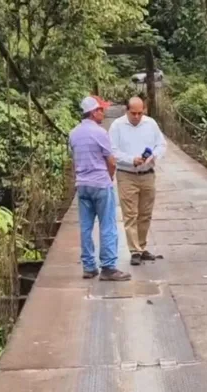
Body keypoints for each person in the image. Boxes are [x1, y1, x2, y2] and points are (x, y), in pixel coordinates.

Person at [68, 95, 131, 281]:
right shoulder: (100, 133)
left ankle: (88, 267)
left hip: (82, 185)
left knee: (86, 227)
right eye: (101, 110)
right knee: (108, 225)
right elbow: (111, 161)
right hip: (100, 184)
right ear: (93, 112)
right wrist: (110, 177)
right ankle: (109, 267)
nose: (103, 113)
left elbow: (75, 158)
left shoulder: (73, 133)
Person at [109, 96, 167, 266]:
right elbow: (112, 150)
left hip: (147, 173)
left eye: (139, 113)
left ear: (144, 111)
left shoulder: (151, 124)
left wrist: (154, 156)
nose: (136, 117)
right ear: (126, 111)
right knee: (130, 214)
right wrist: (130, 159)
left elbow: (161, 144)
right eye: (133, 113)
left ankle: (141, 246)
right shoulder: (117, 126)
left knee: (145, 213)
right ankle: (134, 250)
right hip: (127, 174)